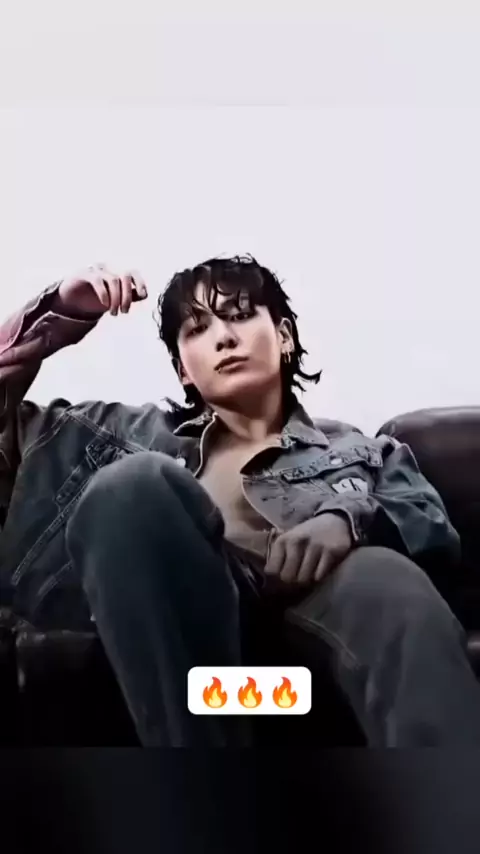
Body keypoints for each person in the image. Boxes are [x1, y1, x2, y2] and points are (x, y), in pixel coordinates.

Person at [1, 256, 480, 748]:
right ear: (183, 371)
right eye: (198, 329)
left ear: (284, 336)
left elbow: (430, 527)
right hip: (177, 654)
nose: (224, 338)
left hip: (301, 646)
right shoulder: (112, 433)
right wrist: (58, 312)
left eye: (241, 314)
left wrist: (345, 520)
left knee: (381, 573)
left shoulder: (359, 450)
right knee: (133, 483)